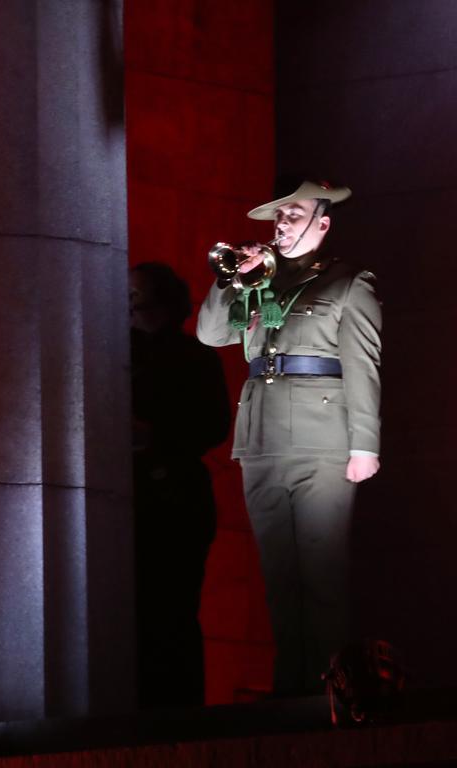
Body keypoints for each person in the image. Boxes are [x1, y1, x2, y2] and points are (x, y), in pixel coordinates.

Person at [197, 179, 382, 696]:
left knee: (322, 575)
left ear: (321, 224)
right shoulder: (261, 281)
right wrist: (235, 279)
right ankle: (290, 694)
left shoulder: (348, 282)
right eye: (278, 217)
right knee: (279, 579)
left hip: (323, 441)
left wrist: (364, 445)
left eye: (293, 215)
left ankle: (333, 690)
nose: (281, 225)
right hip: (261, 441)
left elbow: (362, 367)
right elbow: (210, 335)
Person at [130, 262, 230, 708]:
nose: (130, 307)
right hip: (135, 498)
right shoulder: (116, 355)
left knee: (171, 609)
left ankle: (177, 709)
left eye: (136, 297)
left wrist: (157, 436)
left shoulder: (194, 357)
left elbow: (212, 425)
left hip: (173, 499)